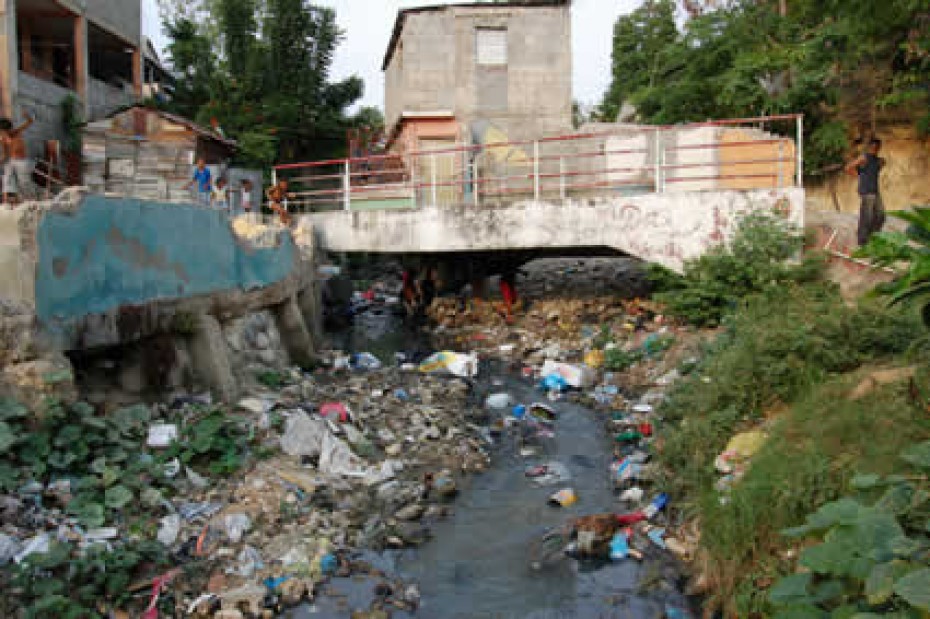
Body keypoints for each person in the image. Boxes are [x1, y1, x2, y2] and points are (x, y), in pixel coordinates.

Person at [846, 138, 886, 246]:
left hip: (875, 190)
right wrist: (858, 177)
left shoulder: (878, 160)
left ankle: (873, 236)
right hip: (866, 190)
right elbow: (849, 167)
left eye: (877, 146)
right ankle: (862, 241)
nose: (875, 148)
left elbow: (875, 171)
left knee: (880, 214)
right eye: (873, 145)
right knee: (867, 216)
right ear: (870, 146)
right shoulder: (864, 157)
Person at [1, 113, 35, 205]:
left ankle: (30, 201)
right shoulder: (3, 138)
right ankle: (6, 202)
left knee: (24, 183)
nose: (4, 133)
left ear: (9, 129)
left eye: (5, 131)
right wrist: (1, 161)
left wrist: (27, 116)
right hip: (10, 160)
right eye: (2, 132)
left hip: (21, 161)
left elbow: (30, 122)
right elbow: (4, 154)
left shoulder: (17, 131)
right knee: (6, 179)